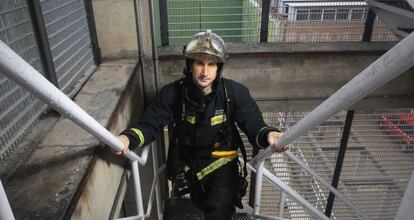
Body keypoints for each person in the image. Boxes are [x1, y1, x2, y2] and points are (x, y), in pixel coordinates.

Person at [116, 30, 288, 220]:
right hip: (189, 165)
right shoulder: (173, 93)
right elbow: (150, 124)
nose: (205, 72)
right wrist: (127, 138)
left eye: (211, 64)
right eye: (199, 63)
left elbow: (254, 123)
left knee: (219, 209)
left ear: (219, 67)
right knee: (199, 203)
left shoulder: (234, 94)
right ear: (190, 65)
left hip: (222, 165)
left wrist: (270, 135)